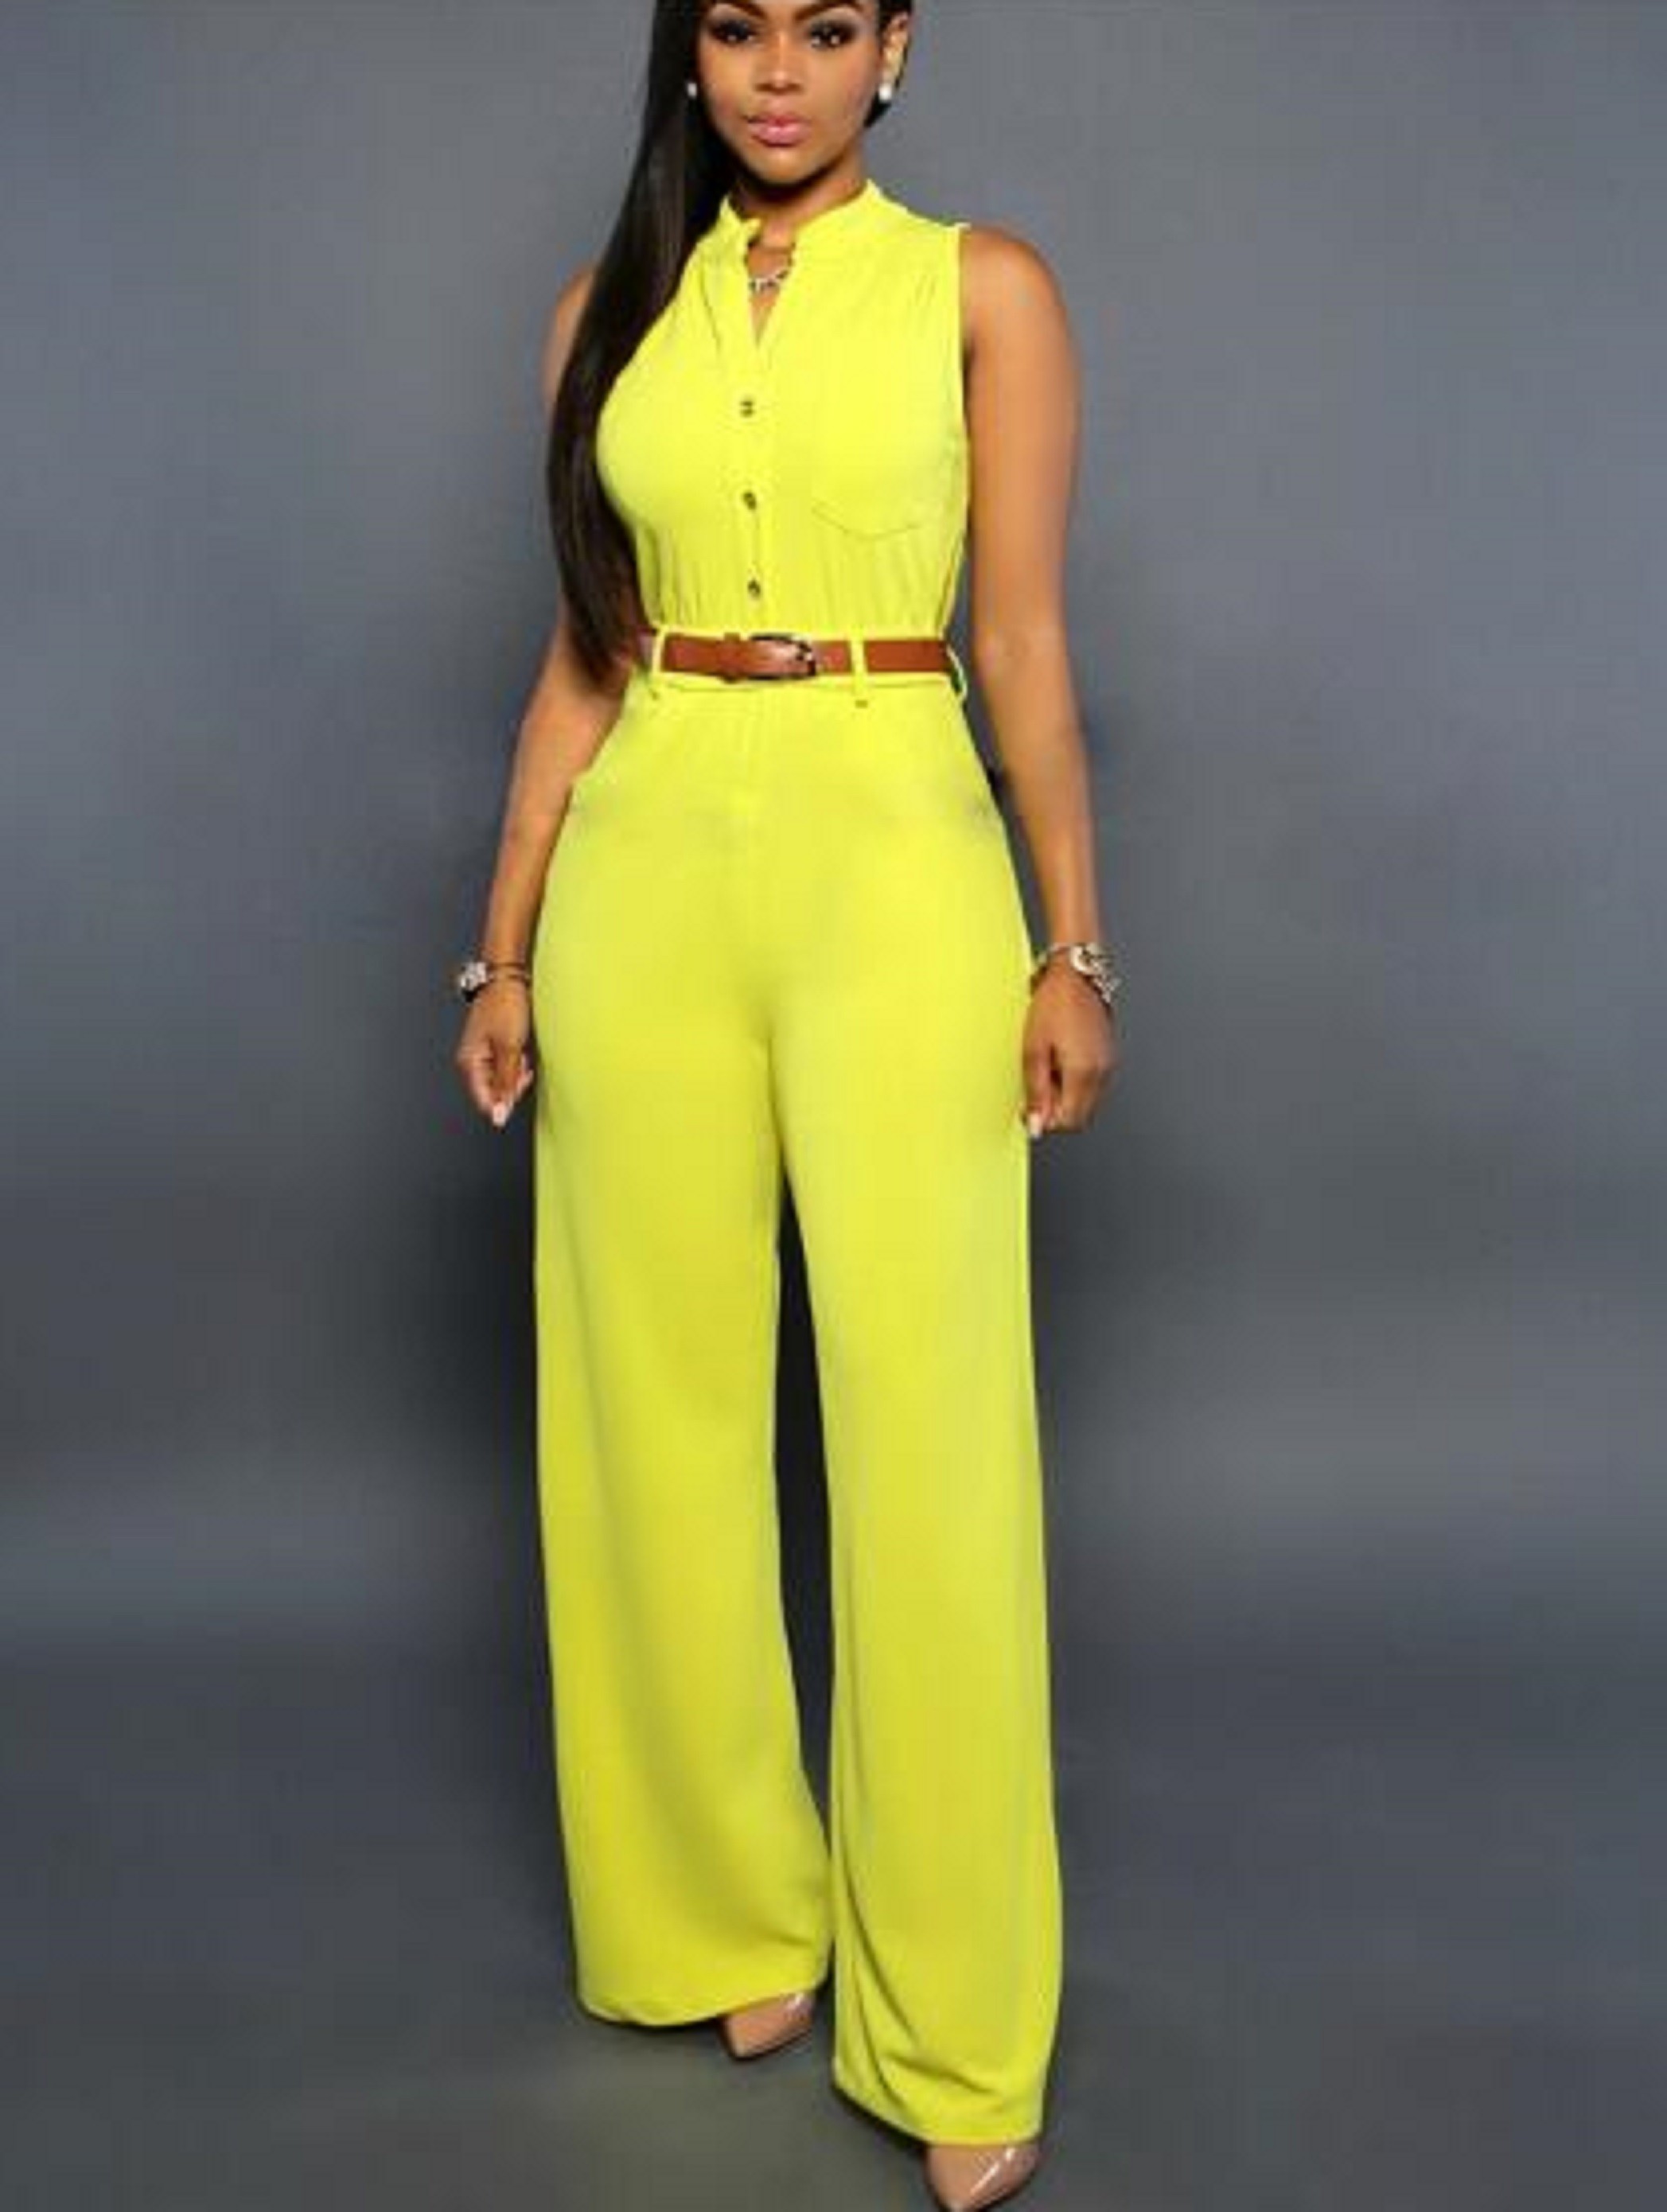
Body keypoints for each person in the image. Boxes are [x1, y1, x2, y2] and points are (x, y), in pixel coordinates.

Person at [454, 4, 1121, 2206]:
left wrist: (1073, 944)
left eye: (828, 27)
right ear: (692, 54)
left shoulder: (981, 290)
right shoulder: (602, 313)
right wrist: (502, 945)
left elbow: (1022, 644)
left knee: (932, 1440)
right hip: (646, 867)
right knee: (647, 1408)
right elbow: (586, 651)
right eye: (737, 25)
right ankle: (723, 1912)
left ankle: (953, 2022)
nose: (778, 71)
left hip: (892, 856)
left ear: (893, 49)